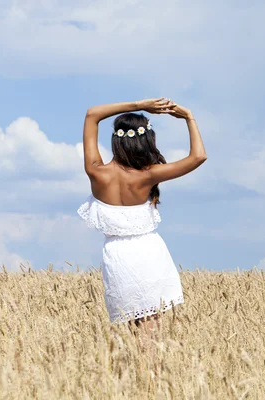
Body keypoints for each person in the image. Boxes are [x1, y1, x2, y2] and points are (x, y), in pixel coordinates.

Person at [77, 98, 207, 336]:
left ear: (116, 140)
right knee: (151, 329)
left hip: (116, 258)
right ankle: (151, 374)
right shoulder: (148, 175)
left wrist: (138, 105)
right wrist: (189, 116)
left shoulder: (96, 172)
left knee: (132, 332)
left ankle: (141, 373)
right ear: (146, 141)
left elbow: (92, 114)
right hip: (148, 254)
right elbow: (198, 157)